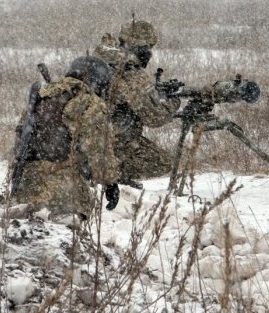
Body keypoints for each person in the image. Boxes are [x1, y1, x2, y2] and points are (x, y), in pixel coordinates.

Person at [10, 56, 120, 224]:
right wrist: (110, 183)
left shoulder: (43, 95)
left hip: (26, 183)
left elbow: (20, 140)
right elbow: (99, 150)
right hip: (63, 189)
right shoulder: (89, 103)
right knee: (65, 232)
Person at [93, 19, 181, 188]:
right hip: (109, 143)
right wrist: (173, 102)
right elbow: (154, 118)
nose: (149, 53)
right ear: (141, 48)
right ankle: (109, 176)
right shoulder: (128, 70)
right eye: (148, 48)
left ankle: (103, 172)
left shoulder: (102, 61)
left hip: (90, 138)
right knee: (162, 162)